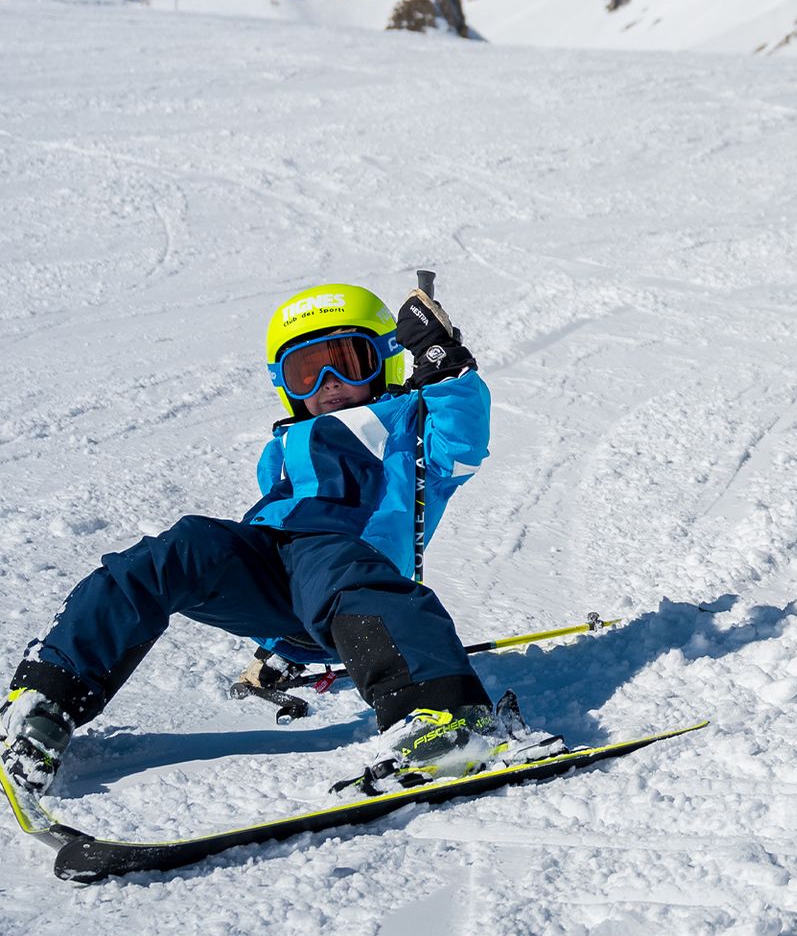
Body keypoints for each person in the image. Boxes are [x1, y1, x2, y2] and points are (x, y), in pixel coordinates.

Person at [1, 281, 526, 797]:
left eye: (347, 360)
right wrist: (279, 647)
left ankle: (440, 715)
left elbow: (462, 444)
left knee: (332, 559)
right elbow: (283, 559)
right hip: (284, 570)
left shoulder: (413, 429)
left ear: (385, 360)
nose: (329, 381)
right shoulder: (285, 445)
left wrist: (444, 364)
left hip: (355, 578)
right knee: (176, 550)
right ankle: (46, 700)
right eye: (307, 371)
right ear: (285, 383)